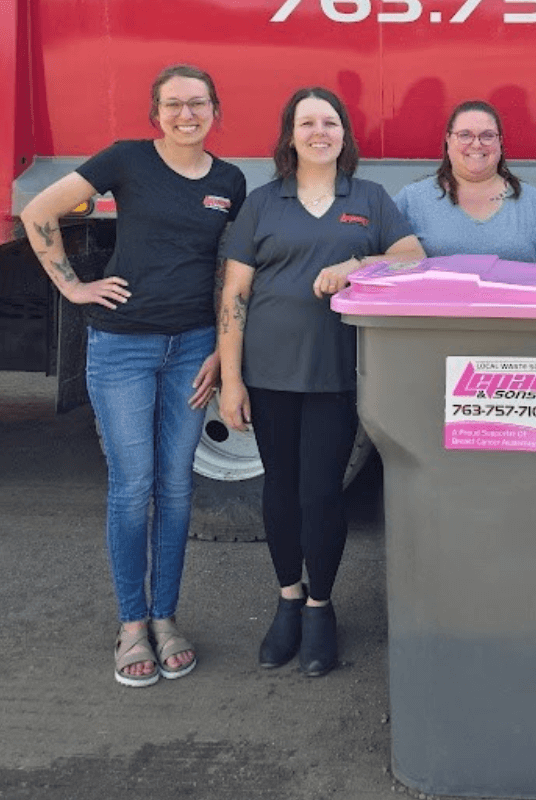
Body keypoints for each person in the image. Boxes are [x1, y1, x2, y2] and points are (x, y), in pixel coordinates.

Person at [19, 64, 247, 687]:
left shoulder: (229, 180)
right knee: (131, 486)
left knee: (175, 489)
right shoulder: (126, 159)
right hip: (121, 347)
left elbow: (234, 269)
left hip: (193, 348)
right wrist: (75, 286)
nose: (185, 115)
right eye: (173, 105)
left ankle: (166, 618)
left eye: (197, 103)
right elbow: (39, 209)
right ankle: (130, 624)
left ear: (215, 110)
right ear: (156, 113)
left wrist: (223, 353)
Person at [217, 87, 423, 678]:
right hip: (270, 373)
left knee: (322, 493)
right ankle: (286, 601)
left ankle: (319, 608)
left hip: (337, 374)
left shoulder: (370, 199)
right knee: (280, 490)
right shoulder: (263, 204)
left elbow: (413, 258)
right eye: (306, 123)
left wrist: (358, 266)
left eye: (329, 122)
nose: (318, 132)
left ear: (343, 135)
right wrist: (232, 380)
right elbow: (234, 294)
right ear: (289, 136)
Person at [394, 99, 536, 264]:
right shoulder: (412, 200)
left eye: (487, 136)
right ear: (448, 140)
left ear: (500, 143)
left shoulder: (535, 204)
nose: (476, 144)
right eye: (465, 135)